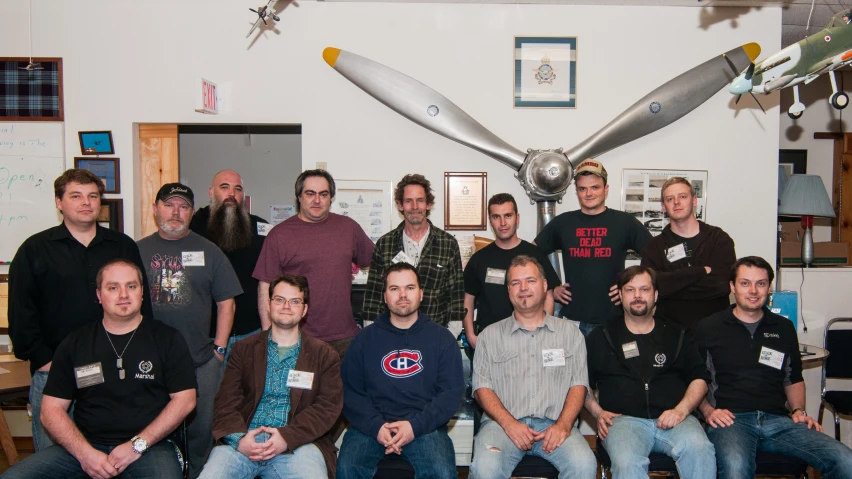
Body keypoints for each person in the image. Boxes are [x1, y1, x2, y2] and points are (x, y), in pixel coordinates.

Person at [1, 259, 197, 479]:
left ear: (142, 292)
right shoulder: (75, 343)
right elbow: (50, 410)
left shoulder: (168, 339)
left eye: (131, 286)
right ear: (99, 295)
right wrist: (85, 455)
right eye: (113, 287)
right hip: (86, 447)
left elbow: (186, 400)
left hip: (151, 448)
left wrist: (136, 446)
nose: (123, 294)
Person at [8, 168, 151, 451]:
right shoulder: (34, 249)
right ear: (59, 202)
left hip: (113, 370)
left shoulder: (122, 246)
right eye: (76, 196)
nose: (86, 202)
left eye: (93, 196)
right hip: (54, 370)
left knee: (109, 453)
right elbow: (21, 313)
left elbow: (140, 304)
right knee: (53, 458)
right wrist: (45, 361)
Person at [697, 256, 852, 479]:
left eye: (760, 283)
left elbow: (793, 377)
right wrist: (708, 412)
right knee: (735, 470)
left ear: (769, 288)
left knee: (845, 461)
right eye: (745, 283)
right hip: (730, 420)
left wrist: (798, 411)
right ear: (732, 287)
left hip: (778, 421)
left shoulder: (784, 327)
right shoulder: (709, 327)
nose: (753, 290)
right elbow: (695, 380)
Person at [136, 183, 243, 479]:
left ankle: (198, 474)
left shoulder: (210, 251)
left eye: (183, 207)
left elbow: (227, 303)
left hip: (200, 360)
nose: (175, 212)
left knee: (201, 427)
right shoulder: (136, 250)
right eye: (169, 205)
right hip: (150, 360)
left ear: (191, 213)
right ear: (156, 208)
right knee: (152, 422)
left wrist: (219, 350)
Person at [201, 274, 342, 479]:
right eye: (279, 299)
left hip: (298, 446)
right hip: (243, 443)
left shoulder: (324, 355)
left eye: (295, 301)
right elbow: (225, 401)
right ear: (269, 304)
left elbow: (327, 407)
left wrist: (287, 437)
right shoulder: (243, 350)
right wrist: (239, 440)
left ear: (304, 309)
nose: (286, 306)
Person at [470, 255, 596, 478]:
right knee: (484, 469)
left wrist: (564, 425)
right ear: (508, 290)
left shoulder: (570, 334)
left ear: (545, 285)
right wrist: (509, 425)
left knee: (583, 465)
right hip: (502, 427)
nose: (523, 288)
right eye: (515, 283)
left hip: (555, 425)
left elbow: (579, 385)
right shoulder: (489, 336)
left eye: (530, 281)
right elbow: (481, 389)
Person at [584, 265, 715, 479]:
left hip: (676, 419)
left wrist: (681, 411)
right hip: (623, 421)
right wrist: (597, 412)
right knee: (627, 462)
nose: (637, 296)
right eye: (630, 290)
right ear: (619, 295)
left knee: (701, 450)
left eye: (644, 289)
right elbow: (580, 383)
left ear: (655, 295)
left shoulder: (677, 334)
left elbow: (699, 377)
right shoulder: (601, 337)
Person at [337, 262, 464, 479]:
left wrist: (414, 426)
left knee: (441, 473)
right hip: (371, 427)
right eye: (394, 289)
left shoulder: (443, 339)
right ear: (385, 296)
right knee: (348, 468)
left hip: (424, 427)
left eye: (410, 288)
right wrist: (377, 427)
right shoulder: (363, 340)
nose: (402, 294)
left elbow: (450, 395)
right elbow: (350, 393)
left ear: (421, 294)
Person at [253, 169, 373, 358]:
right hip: (297, 337)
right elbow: (265, 286)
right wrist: (269, 335)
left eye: (323, 194)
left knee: (342, 389)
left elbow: (374, 260)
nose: (317, 200)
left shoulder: (349, 228)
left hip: (344, 338)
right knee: (300, 389)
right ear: (299, 197)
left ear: (331, 198)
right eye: (310, 193)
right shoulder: (279, 235)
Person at [534, 159, 651, 336]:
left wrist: (631, 284)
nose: (589, 193)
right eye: (582, 189)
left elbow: (655, 256)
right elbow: (531, 253)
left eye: (595, 187)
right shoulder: (564, 223)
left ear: (606, 189)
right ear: (577, 192)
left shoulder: (625, 223)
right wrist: (551, 286)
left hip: (614, 320)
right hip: (574, 321)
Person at [362, 174, 464, 327]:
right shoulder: (384, 245)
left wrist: (450, 336)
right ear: (400, 205)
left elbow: (455, 296)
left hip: (434, 336)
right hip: (392, 335)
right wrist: (372, 336)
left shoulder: (448, 244)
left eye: (420, 200)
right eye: (409, 201)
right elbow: (373, 296)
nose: (415, 207)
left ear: (428, 204)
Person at [640, 177, 735, 331]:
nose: (676, 202)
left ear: (694, 201)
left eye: (682, 196)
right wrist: (699, 272)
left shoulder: (719, 239)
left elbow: (721, 285)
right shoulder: (653, 247)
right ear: (664, 207)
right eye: (670, 199)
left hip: (716, 332)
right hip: (670, 333)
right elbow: (655, 288)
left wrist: (673, 284)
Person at [190, 170, 270, 353]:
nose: (231, 194)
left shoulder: (261, 230)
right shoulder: (193, 228)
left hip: (251, 334)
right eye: (224, 187)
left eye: (238, 189)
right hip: (207, 336)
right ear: (211, 192)